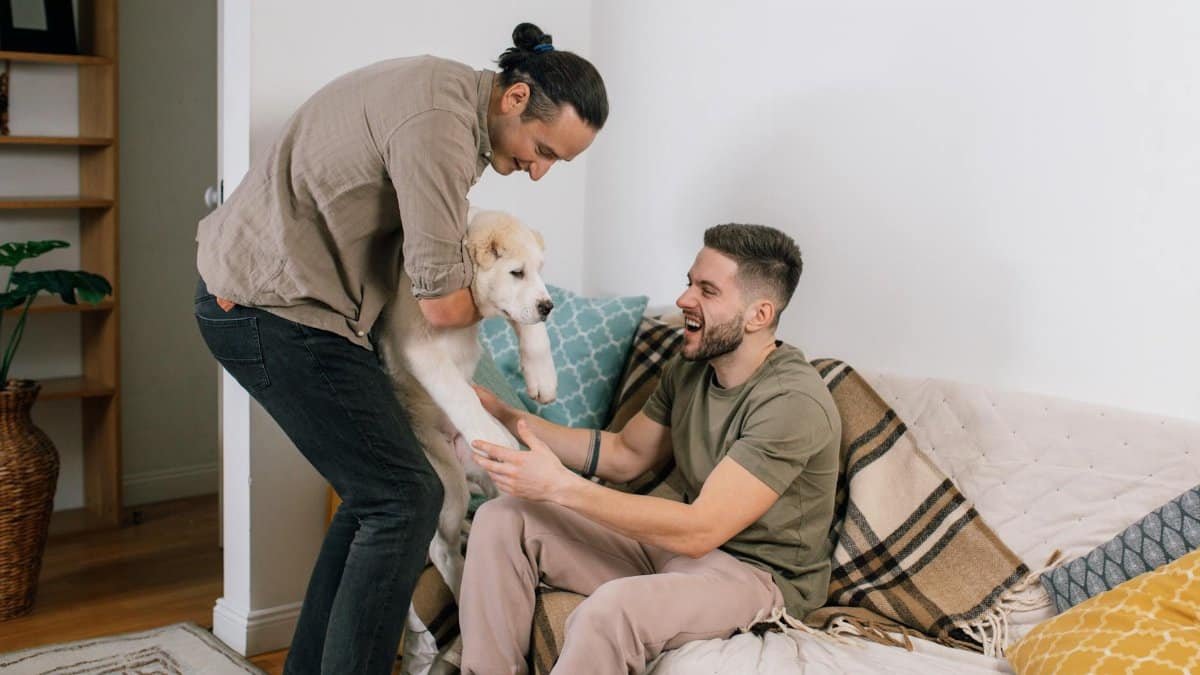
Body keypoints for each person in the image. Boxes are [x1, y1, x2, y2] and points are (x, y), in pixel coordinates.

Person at [192, 23, 607, 675]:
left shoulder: (450, 107)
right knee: (404, 496)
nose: (538, 170)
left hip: (306, 313)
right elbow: (441, 304)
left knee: (378, 494)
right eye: (543, 149)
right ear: (516, 98)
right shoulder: (440, 127)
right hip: (267, 310)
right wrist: (527, 315)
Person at [462, 224, 841, 674]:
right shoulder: (691, 366)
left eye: (707, 290)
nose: (684, 299)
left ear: (758, 315)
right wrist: (507, 416)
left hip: (756, 578)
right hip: (679, 553)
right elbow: (625, 454)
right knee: (501, 519)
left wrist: (560, 487)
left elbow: (701, 529)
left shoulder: (791, 402)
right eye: (689, 282)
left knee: (610, 612)